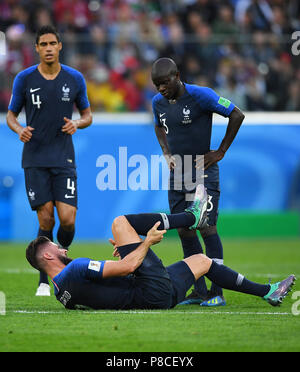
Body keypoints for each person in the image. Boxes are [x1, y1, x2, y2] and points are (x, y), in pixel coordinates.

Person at [25, 184, 295, 310]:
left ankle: (267, 292)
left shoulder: (62, 294)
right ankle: (191, 217)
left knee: (202, 260)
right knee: (120, 223)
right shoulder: (77, 268)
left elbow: (106, 290)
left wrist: (130, 255)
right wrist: (145, 243)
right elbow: (129, 266)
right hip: (149, 290)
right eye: (56, 246)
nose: (62, 247)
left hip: (158, 299)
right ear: (47, 255)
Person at [151, 57, 245, 306]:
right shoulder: (157, 103)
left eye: (164, 82)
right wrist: (166, 153)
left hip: (203, 171)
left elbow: (237, 115)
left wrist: (220, 151)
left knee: (206, 227)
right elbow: (158, 126)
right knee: (183, 229)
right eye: (156, 84)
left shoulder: (201, 96)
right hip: (178, 173)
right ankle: (199, 290)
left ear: (177, 75)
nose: (161, 88)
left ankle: (217, 291)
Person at [6, 25, 92, 296]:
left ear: (60, 46)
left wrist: (77, 123)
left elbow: (88, 115)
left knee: (67, 219)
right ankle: (45, 278)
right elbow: (11, 115)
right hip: (35, 158)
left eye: (52, 43)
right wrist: (20, 129)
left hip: (64, 157)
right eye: (43, 44)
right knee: (46, 220)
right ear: (37, 48)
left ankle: (62, 259)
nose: (48, 48)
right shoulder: (24, 79)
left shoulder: (75, 78)